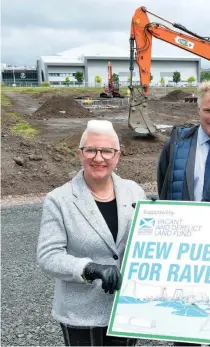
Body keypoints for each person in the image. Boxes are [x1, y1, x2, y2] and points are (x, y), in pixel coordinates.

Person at [37, 120, 146, 346]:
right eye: (91, 150)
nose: (99, 158)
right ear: (80, 154)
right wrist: (89, 269)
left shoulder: (134, 192)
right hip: (81, 316)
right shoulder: (60, 199)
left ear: (117, 156)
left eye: (107, 151)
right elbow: (48, 257)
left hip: (125, 310)